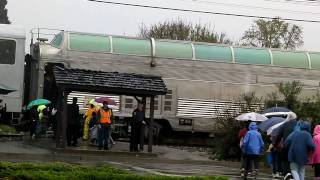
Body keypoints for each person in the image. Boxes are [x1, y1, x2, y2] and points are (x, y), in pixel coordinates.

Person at [277, 112, 297, 179]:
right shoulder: (298, 124)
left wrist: (275, 144)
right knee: (294, 161)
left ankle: (287, 173)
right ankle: (293, 174)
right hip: (296, 146)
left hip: (286, 145)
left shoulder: (284, 124)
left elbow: (279, 135)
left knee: (285, 160)